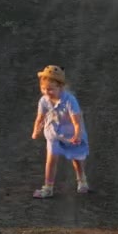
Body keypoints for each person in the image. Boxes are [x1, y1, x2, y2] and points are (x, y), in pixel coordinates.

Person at [31, 65, 90, 198]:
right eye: (43, 89)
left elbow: (76, 121)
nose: (47, 92)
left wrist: (77, 135)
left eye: (51, 89)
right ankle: (48, 188)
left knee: (76, 159)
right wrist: (36, 130)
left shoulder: (70, 100)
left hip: (71, 133)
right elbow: (39, 118)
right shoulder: (44, 100)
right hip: (53, 133)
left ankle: (82, 180)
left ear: (60, 87)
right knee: (51, 160)